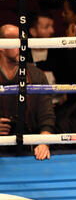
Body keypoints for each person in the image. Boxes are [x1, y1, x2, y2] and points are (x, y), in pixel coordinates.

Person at [0, 24, 55, 160]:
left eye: (23, 40)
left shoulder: (36, 75)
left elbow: (47, 116)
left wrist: (43, 142)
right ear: (1, 46)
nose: (21, 46)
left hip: (29, 148)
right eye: (16, 41)